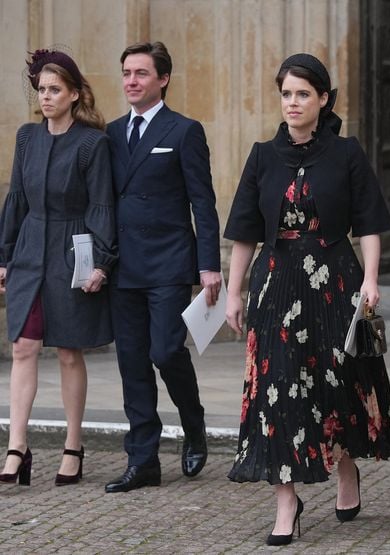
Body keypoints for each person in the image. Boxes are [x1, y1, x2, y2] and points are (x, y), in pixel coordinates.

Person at [224, 53, 390, 546]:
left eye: (304, 94)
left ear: (323, 99)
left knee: (337, 384)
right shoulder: (262, 154)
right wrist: (234, 291)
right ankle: (287, 502)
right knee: (275, 391)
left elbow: (368, 223)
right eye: (286, 94)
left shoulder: (346, 153)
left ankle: (345, 465)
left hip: (335, 282)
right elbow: (243, 231)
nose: (293, 103)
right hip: (275, 284)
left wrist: (370, 279)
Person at [104, 42, 221, 493]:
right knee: (132, 361)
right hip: (123, 266)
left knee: (165, 351)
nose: (131, 81)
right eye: (126, 73)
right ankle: (143, 460)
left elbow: (203, 202)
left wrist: (208, 264)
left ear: (163, 79)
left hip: (170, 262)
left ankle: (193, 423)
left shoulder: (184, 130)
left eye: (141, 73)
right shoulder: (111, 133)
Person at [0, 48, 117, 486]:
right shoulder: (26, 137)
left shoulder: (92, 144)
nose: (45, 97)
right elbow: (16, 199)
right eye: (42, 89)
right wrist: (3, 255)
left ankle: (73, 445)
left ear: (73, 94)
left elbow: (103, 204)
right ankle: (17, 448)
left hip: (73, 252)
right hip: (30, 249)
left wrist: (102, 261)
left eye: (54, 90)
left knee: (69, 351)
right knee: (24, 347)